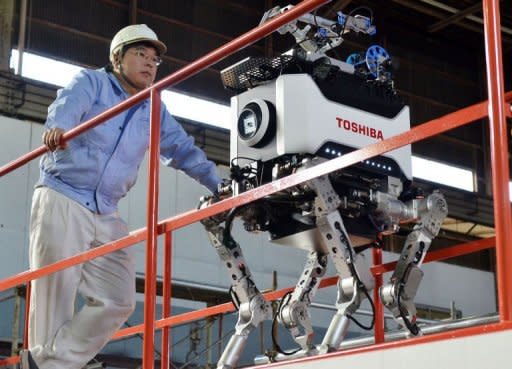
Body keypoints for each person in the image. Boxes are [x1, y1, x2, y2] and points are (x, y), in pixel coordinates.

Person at [21, 24, 221, 369]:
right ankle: (53, 364)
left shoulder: (153, 108)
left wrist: (219, 185)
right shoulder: (91, 83)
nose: (150, 63)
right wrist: (58, 129)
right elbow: (66, 107)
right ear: (117, 58)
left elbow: (183, 150)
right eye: (140, 54)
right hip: (64, 195)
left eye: (155, 59)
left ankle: (50, 364)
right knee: (55, 294)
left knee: (119, 298)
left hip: (105, 211)